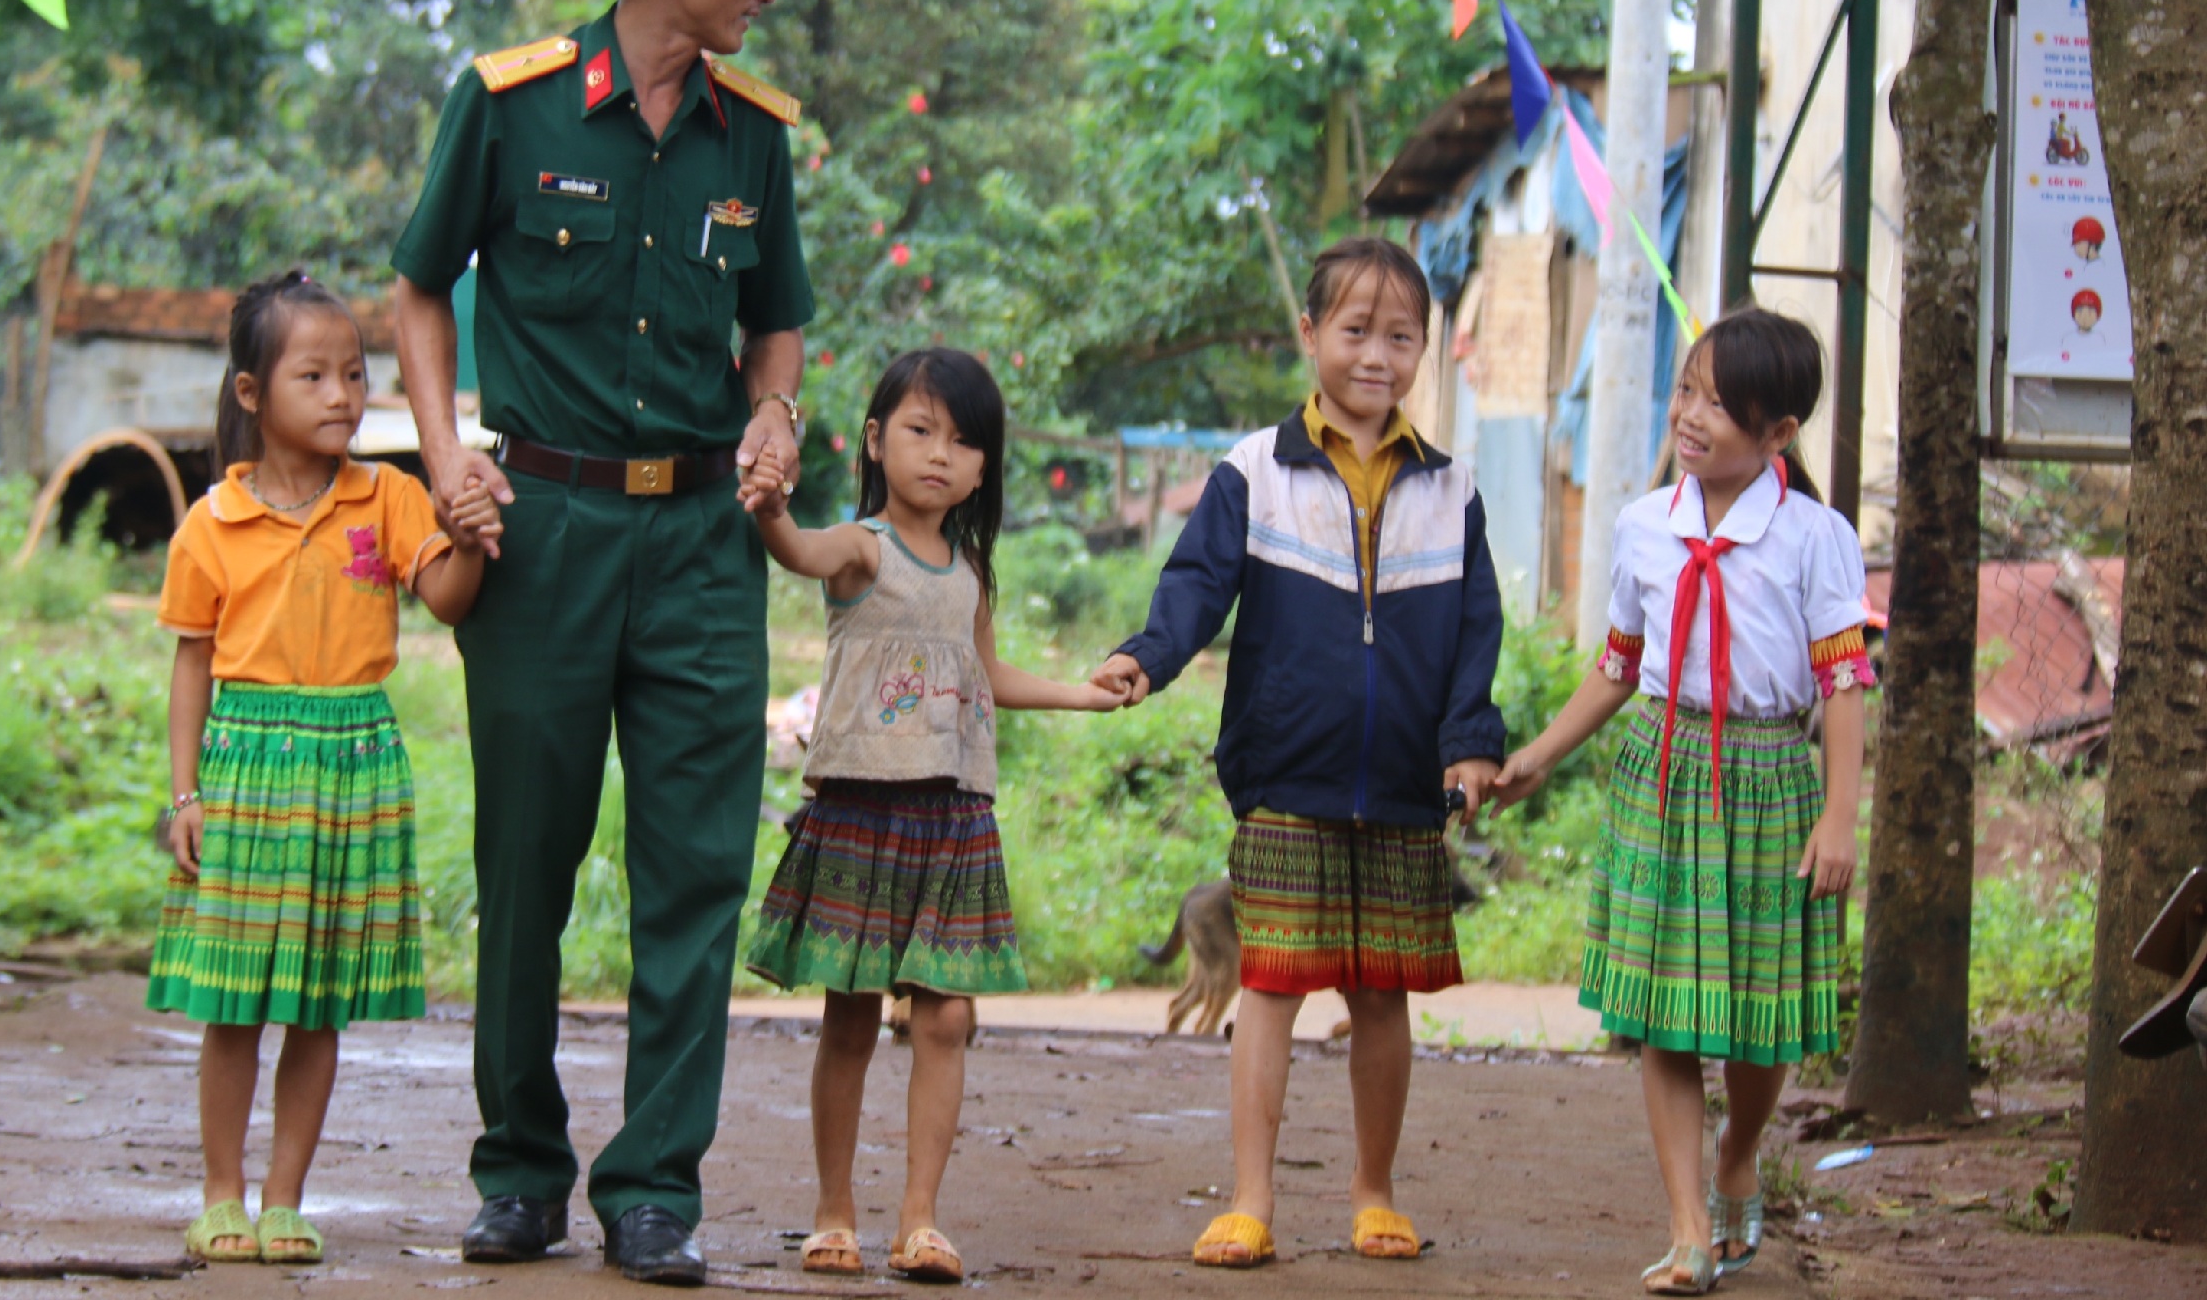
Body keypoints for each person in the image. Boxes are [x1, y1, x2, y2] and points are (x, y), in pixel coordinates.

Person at [390, 0, 823, 1286]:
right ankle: (518, 1170)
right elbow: (416, 292)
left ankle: (656, 1191)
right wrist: (447, 454)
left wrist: (777, 415)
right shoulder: (509, 106)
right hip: (544, 532)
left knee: (695, 871)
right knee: (527, 862)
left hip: (706, 538)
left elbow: (778, 326)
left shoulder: (752, 129)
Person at [1093, 237, 1504, 1271]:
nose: (1379, 354)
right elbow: (1195, 587)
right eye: (1357, 330)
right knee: (1270, 985)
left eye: (1401, 335)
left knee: (1381, 994)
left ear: (1425, 348)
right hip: (1285, 778)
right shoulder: (1252, 472)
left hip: (1408, 787)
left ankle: (1374, 1192)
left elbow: (1476, 635)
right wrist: (1148, 655)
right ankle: (1250, 1198)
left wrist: (1469, 746)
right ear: (1310, 334)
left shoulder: (1453, 492)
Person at [1491, 308, 1870, 1295]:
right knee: (1664, 1011)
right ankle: (1689, 1226)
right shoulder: (1642, 526)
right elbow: (1619, 666)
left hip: (1768, 783)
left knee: (1757, 1012)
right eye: (1687, 391)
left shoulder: (1814, 537)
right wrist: (1535, 753)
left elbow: (1842, 684)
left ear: (1779, 432)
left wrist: (1841, 815)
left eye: (1720, 403)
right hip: (1660, 777)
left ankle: (1740, 1148)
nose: (1691, 417)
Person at [738, 349, 1126, 1285]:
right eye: (920, 431)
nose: (941, 455)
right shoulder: (862, 547)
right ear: (876, 442)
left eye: (964, 441)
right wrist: (772, 508)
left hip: (954, 822)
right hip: (862, 815)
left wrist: (1082, 693)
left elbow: (987, 676)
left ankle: (921, 1221)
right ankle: (835, 1211)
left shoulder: (970, 574)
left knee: (947, 1020)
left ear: (986, 467)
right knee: (851, 1020)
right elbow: (799, 553)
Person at [148, 272, 495, 1266]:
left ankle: (287, 1196)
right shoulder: (210, 523)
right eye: (314, 375)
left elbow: (449, 598)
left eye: (355, 372)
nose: (344, 394)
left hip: (353, 768)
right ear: (252, 392)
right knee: (234, 1001)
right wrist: (186, 796)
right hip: (246, 769)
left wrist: (468, 536)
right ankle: (221, 1193)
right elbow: (191, 668)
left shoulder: (388, 496)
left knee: (315, 998)